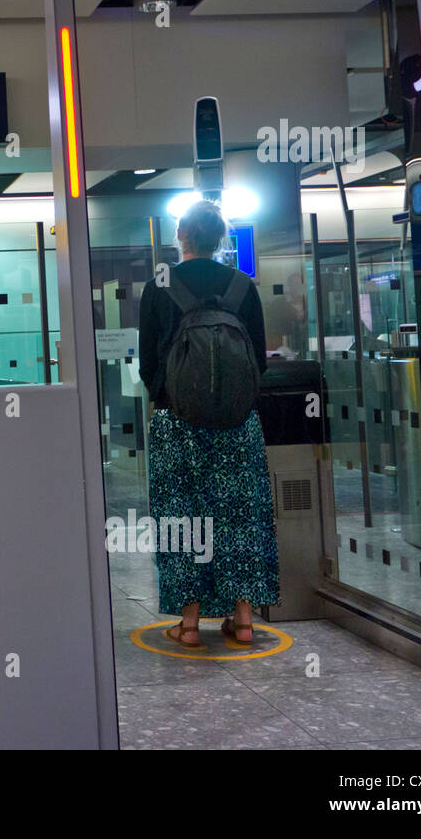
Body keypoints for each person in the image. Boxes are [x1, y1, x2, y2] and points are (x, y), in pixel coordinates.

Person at [137, 200, 279, 648]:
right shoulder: (242, 285)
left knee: (183, 517)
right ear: (221, 240)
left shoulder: (160, 285)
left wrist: (172, 392)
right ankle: (243, 621)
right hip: (238, 425)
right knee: (240, 516)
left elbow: (146, 363)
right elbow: (259, 357)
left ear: (180, 234)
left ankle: (191, 623)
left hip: (176, 424)